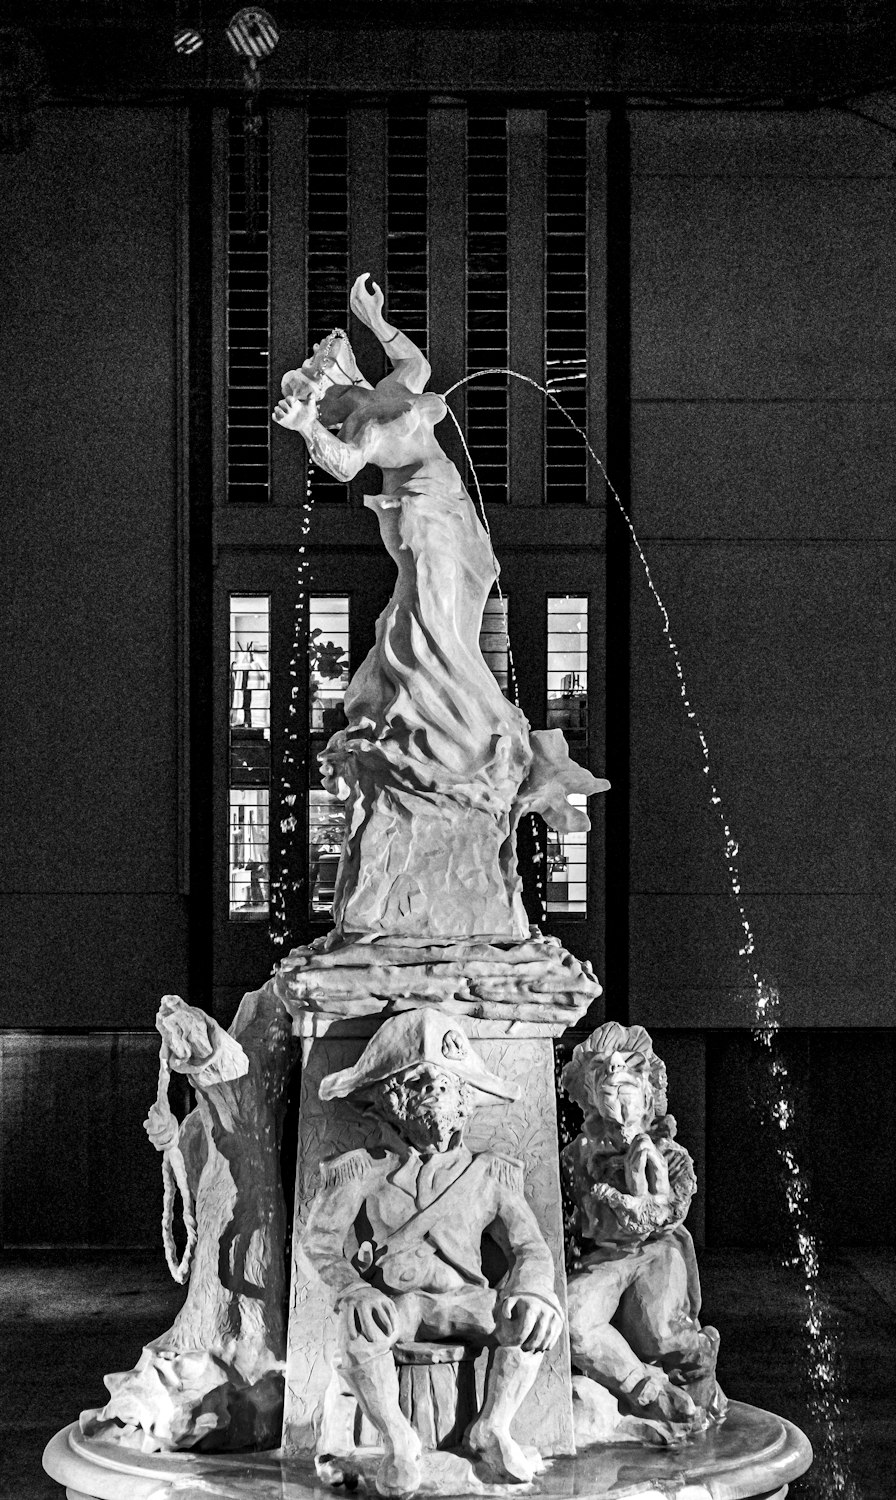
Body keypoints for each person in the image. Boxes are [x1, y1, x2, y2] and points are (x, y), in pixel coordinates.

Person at [273, 276, 607, 940]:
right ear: (329, 388)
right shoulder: (362, 422)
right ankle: (451, 734)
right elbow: (341, 466)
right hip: (421, 521)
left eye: (322, 362)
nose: (324, 364)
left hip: (451, 514)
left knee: (444, 627)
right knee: (424, 631)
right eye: (318, 373)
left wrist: (374, 319)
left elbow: (414, 363)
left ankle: (469, 730)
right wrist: (309, 425)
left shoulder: (388, 391)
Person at [300, 1010, 563, 1496]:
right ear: (390, 1097)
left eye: (447, 1083)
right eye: (419, 1081)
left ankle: (493, 1427)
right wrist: (354, 1290)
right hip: (400, 1305)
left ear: (465, 1097)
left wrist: (533, 1291)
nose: (436, 1092)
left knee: (529, 1323)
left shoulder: (490, 1174)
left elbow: (530, 1247)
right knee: (359, 1331)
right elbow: (317, 1244)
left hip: (469, 1301)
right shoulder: (359, 1172)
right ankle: (398, 1440)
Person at [559, 1024, 726, 1441]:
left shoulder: (670, 1155)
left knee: (658, 1332)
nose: (618, 1100)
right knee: (573, 1321)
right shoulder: (577, 1156)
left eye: (628, 1088)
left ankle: (700, 1363)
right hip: (608, 1257)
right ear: (592, 1100)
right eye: (608, 1090)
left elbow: (665, 1211)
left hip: (657, 1251)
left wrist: (647, 1175)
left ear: (648, 1095)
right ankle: (651, 1393)